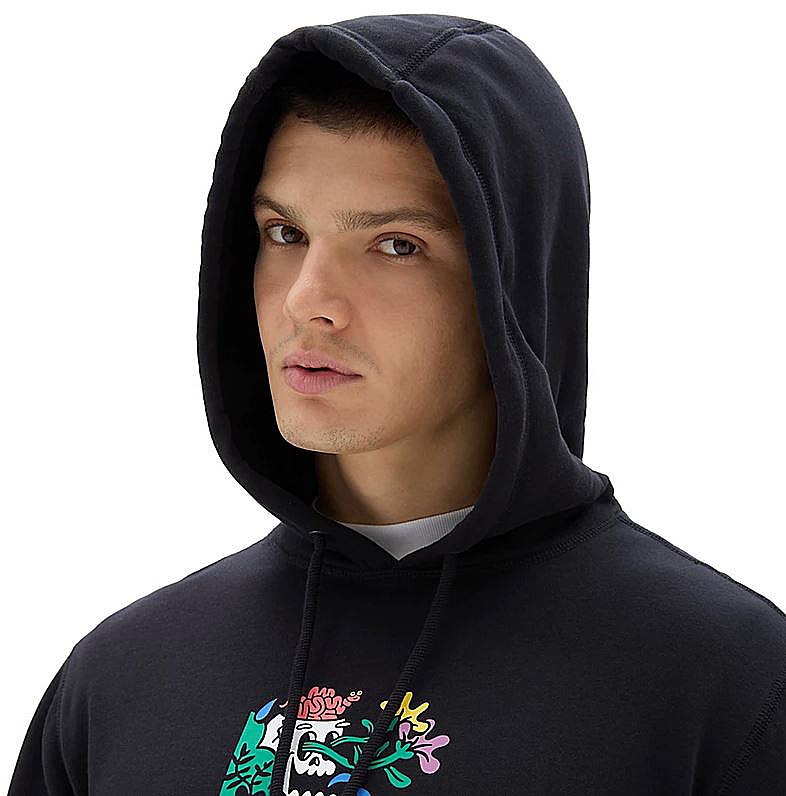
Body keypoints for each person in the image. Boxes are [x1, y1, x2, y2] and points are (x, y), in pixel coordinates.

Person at [8, 13, 785, 796]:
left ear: (512, 281)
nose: (307, 301)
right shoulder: (119, 683)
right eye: (285, 233)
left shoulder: (725, 684)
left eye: (395, 245)